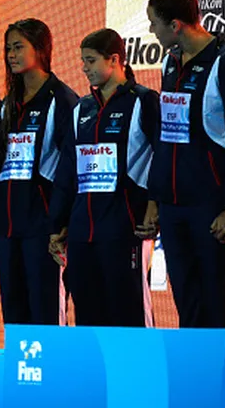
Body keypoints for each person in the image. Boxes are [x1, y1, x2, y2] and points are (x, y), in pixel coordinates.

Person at [142, 0, 225, 328]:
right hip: (175, 208)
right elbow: (166, 138)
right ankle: (195, 380)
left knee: (219, 303)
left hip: (212, 207)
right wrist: (155, 199)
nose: (151, 30)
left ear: (175, 25)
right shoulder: (170, 63)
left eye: (154, 23)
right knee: (187, 304)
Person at [48, 28, 157, 326]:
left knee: (129, 312)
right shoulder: (81, 109)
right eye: (83, 61)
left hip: (124, 228)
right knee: (87, 314)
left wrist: (153, 205)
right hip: (83, 232)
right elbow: (67, 171)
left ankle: (136, 373)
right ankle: (95, 374)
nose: (85, 68)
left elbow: (163, 157)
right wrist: (57, 224)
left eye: (92, 61)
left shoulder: (143, 101)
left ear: (115, 60)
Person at [0, 19, 77, 325]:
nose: (11, 55)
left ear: (40, 50)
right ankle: (20, 373)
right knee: (14, 316)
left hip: (44, 228)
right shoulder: (7, 105)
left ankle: (54, 374)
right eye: (7, 49)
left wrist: (59, 222)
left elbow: (69, 169)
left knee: (46, 316)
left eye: (18, 47)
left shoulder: (63, 100)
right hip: (9, 228)